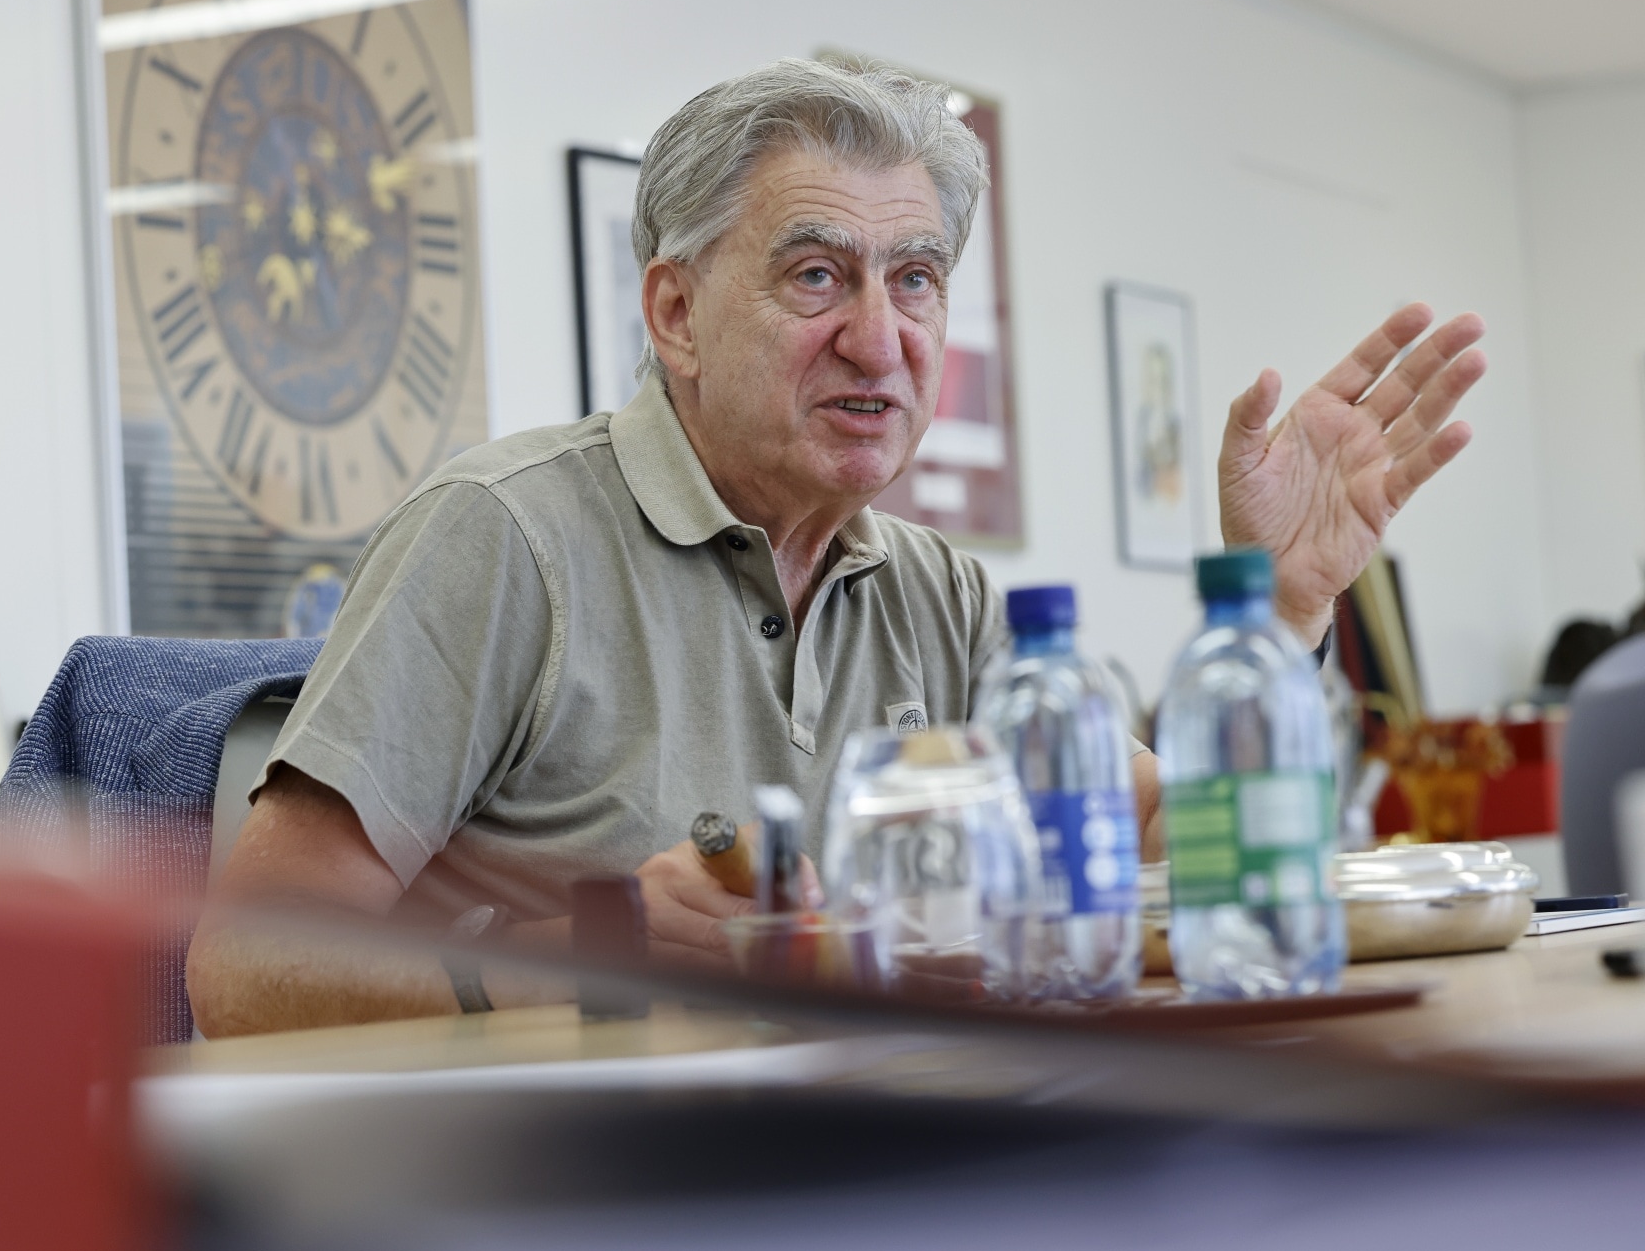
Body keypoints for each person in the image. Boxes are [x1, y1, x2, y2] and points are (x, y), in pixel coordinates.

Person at [185, 57, 1486, 1036]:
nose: (881, 338)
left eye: (915, 279)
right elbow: (241, 971)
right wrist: (586, 954)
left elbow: (1166, 849)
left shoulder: (941, 593)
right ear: (676, 312)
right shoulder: (505, 533)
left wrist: (1276, 616)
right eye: (818, 275)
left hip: (871, 1154)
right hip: (562, 1204)